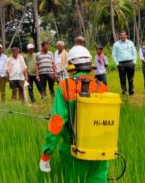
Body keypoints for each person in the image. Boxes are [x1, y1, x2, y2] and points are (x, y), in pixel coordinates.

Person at [39, 45, 109, 181]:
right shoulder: (103, 88)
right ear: (90, 65)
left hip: (74, 150)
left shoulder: (65, 87)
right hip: (100, 150)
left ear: (71, 65)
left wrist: (46, 154)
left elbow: (57, 121)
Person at [112, 31, 137, 96]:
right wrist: (117, 63)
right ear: (119, 36)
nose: (123, 36)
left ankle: (131, 92)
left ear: (126, 36)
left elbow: (134, 52)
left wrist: (134, 62)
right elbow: (113, 54)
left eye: (124, 35)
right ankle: (124, 92)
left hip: (130, 63)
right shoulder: (116, 44)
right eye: (121, 35)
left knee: (130, 79)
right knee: (122, 79)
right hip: (121, 64)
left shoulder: (130, 43)